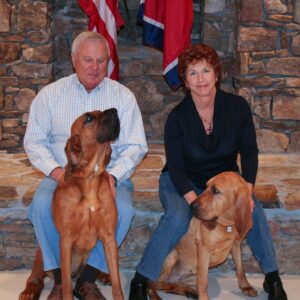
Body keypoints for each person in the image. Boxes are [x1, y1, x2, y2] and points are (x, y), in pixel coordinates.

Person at [128, 44, 287, 300]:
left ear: (216, 74)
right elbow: (177, 167)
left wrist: (247, 188)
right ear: (185, 81)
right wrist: (195, 203)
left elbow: (249, 151)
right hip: (182, 180)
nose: (200, 78)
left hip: (222, 183)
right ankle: (140, 280)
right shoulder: (177, 118)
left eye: (205, 70)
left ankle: (273, 278)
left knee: (252, 210)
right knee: (179, 217)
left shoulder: (237, 108)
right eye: (193, 73)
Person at [24, 31, 148, 300]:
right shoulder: (50, 95)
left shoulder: (123, 97)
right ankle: (59, 281)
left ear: (109, 62)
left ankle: (88, 280)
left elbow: (136, 146)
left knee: (124, 209)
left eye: (101, 61)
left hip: (107, 175)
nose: (94, 67)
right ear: (73, 60)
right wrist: (56, 173)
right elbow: (33, 142)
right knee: (42, 204)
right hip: (64, 174)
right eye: (88, 60)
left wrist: (113, 177)